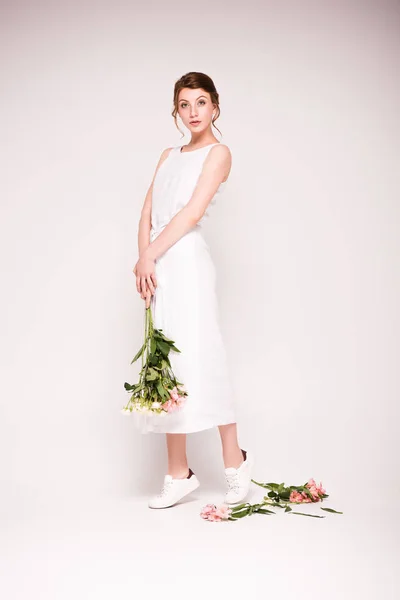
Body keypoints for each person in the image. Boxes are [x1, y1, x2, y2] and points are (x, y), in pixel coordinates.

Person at [132, 72, 254, 509]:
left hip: (186, 261)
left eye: (201, 102)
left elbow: (190, 213)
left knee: (204, 352)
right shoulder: (168, 154)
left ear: (215, 107)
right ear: (176, 111)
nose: (193, 112)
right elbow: (147, 211)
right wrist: (144, 258)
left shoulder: (219, 153)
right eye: (185, 104)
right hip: (160, 262)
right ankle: (178, 472)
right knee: (167, 363)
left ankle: (235, 461)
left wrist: (151, 256)